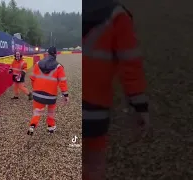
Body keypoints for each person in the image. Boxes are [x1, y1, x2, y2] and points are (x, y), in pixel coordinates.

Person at [82, 1, 150, 180]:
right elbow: (131, 64)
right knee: (93, 162)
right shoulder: (117, 15)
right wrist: (139, 106)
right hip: (95, 111)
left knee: (71, 150)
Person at [28, 46, 69, 135]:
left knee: (37, 111)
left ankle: (32, 125)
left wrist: (35, 89)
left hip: (37, 93)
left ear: (47, 53)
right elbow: (63, 82)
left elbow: (32, 78)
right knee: (51, 112)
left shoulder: (37, 64)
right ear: (55, 54)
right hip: (51, 95)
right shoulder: (59, 67)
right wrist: (65, 95)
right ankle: (50, 127)